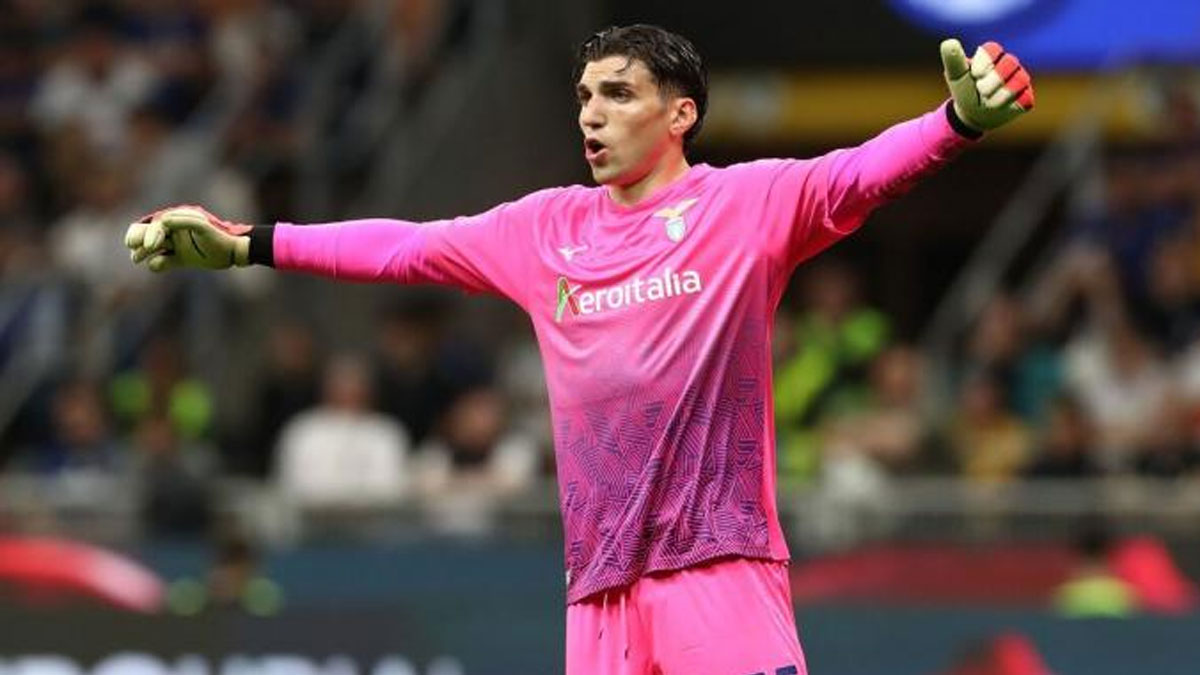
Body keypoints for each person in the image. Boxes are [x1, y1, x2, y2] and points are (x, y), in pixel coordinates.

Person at [123, 25, 1034, 675]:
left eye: (618, 94)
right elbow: (401, 246)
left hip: (719, 569)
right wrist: (247, 243)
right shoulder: (543, 229)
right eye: (585, 97)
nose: (592, 115)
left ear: (680, 114)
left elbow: (859, 175)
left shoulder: (744, 205)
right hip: (597, 595)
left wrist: (952, 124)